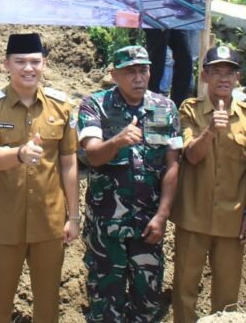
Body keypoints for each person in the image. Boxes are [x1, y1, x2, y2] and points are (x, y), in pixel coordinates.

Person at [0, 32, 80, 323]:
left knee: (48, 304)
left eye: (35, 61)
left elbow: (69, 164)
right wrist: (19, 153)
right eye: (20, 61)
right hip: (4, 224)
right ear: (6, 64)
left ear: (45, 64)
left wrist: (74, 216)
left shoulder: (62, 106)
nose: (28, 68)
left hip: (50, 223)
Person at [77, 45, 181, 322]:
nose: (138, 77)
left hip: (148, 225)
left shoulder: (165, 108)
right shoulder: (95, 105)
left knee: (147, 303)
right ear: (114, 75)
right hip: (105, 226)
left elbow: (172, 164)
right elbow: (92, 156)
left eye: (143, 70)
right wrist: (117, 141)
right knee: (105, 304)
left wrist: (162, 215)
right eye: (130, 72)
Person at [171, 46, 246, 323]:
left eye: (229, 73)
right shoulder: (189, 109)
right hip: (193, 216)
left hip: (232, 220)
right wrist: (210, 130)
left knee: (227, 294)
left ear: (238, 78)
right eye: (216, 72)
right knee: (184, 289)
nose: (223, 78)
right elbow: (191, 156)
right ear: (204, 76)